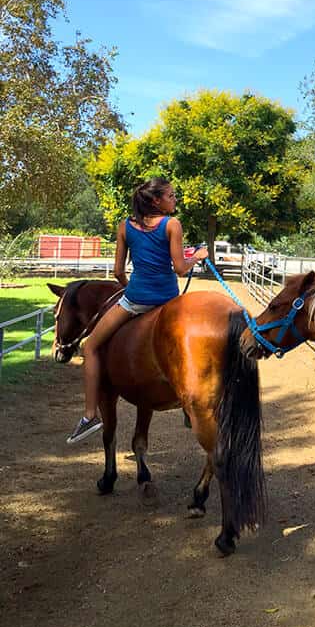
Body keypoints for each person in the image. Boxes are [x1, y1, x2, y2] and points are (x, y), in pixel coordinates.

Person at [66, 177, 208, 444]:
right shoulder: (172, 225)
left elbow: (119, 270)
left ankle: (88, 416)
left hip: (136, 300)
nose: (175, 199)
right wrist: (197, 258)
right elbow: (180, 268)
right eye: (171, 195)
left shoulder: (124, 226)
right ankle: (189, 405)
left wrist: (129, 288)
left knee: (91, 346)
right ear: (156, 201)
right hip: (167, 300)